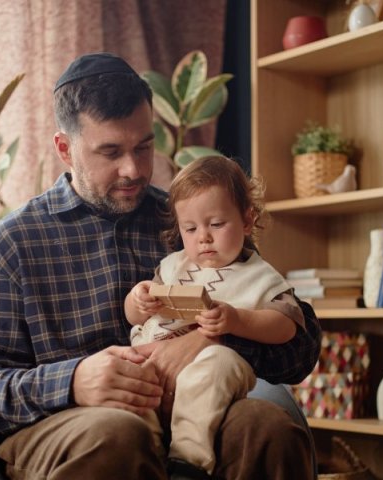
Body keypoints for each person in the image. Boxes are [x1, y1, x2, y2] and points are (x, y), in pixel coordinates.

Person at [0, 51, 321, 480]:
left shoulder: (188, 220)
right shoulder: (11, 245)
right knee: (118, 433)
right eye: (110, 151)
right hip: (69, 423)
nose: (132, 169)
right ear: (64, 149)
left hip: (188, 412)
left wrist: (213, 341)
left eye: (144, 147)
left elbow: (301, 345)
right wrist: (74, 380)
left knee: (268, 429)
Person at [125, 155, 306, 478]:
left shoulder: (258, 275)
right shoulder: (173, 267)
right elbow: (133, 316)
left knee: (216, 367)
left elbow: (287, 326)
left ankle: (187, 461)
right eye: (190, 228)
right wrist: (138, 300)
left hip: (212, 368)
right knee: (127, 381)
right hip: (150, 364)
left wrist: (236, 321)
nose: (203, 237)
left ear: (247, 221)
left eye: (216, 224)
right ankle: (147, 453)